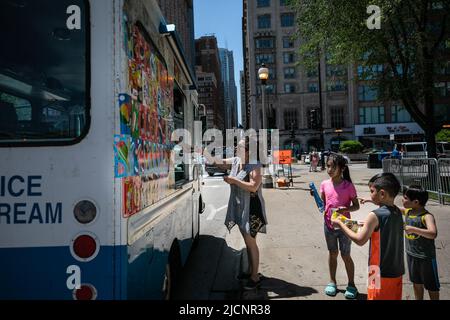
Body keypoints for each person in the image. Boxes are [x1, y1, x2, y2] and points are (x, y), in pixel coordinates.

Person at [205, 137, 268, 290]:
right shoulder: (235, 161)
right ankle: (250, 271)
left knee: (251, 242)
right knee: (247, 242)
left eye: (239, 147)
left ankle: (255, 277)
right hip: (241, 208)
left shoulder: (255, 165)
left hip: (252, 209)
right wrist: (205, 153)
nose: (235, 149)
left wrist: (234, 181)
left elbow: (253, 187)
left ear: (248, 151)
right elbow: (219, 163)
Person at [332, 173, 404, 300]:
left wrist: (340, 224)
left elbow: (360, 240)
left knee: (374, 297)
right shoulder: (397, 212)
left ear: (382, 194)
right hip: (397, 270)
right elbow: (373, 229)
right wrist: (349, 223)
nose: (370, 195)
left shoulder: (374, 215)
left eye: (372, 191)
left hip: (376, 270)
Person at [316, 154, 360, 299]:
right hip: (329, 225)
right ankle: (332, 282)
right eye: (328, 166)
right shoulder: (324, 184)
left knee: (346, 255)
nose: (329, 169)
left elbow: (356, 206)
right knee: (332, 253)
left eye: (333, 166)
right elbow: (324, 205)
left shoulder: (348, 186)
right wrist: (317, 200)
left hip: (347, 225)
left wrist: (344, 210)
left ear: (342, 169)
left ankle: (352, 284)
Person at [402, 185, 440, 300]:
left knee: (431, 285)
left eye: (405, 198)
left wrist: (414, 229)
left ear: (416, 202)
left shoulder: (426, 216)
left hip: (426, 258)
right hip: (411, 255)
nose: (402, 200)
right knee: (416, 282)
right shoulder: (409, 211)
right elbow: (393, 207)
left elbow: (433, 233)